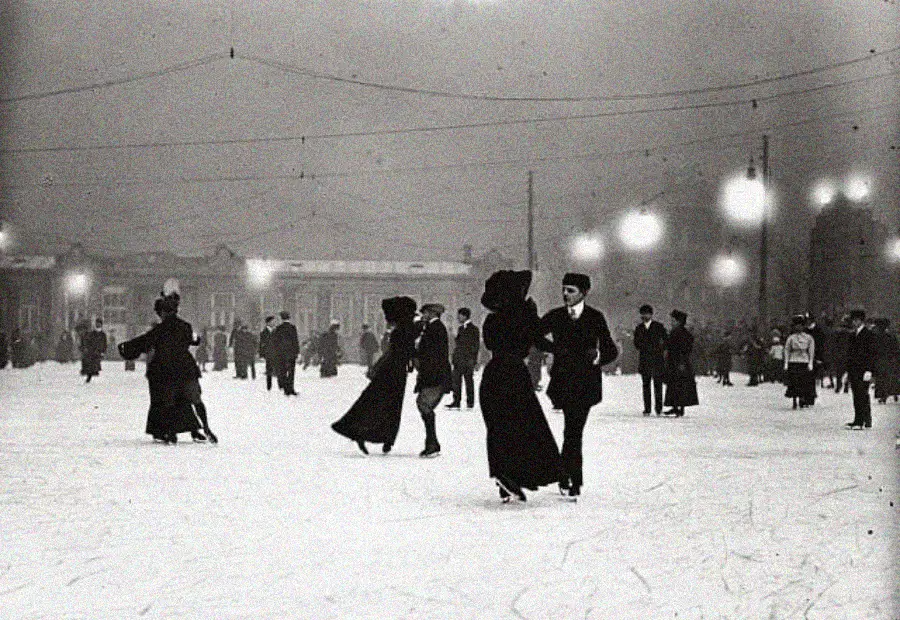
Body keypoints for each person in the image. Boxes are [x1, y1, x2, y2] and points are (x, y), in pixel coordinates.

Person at [479, 270, 564, 503]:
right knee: (524, 425)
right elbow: (540, 341)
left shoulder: (492, 320)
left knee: (498, 426)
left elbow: (490, 343)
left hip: (494, 373)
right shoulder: (524, 317)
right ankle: (514, 475)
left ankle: (504, 476)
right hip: (514, 374)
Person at [538, 273, 618, 498]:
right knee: (572, 430)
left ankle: (570, 477)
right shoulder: (555, 316)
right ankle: (571, 477)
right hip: (563, 382)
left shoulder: (595, 317)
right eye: (563, 289)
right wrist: (553, 349)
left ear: (584, 293)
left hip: (585, 383)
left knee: (573, 430)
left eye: (570, 290)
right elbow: (534, 335)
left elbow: (611, 349)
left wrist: (597, 356)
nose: (565, 294)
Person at [118, 292, 216, 444]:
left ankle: (171, 433)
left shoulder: (160, 330)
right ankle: (207, 428)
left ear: (163, 312)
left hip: (166, 370)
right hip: (186, 369)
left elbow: (144, 342)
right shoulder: (185, 326)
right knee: (196, 400)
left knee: (168, 402)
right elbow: (195, 341)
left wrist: (125, 347)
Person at [332, 297, 418, 455]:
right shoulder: (406, 329)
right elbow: (403, 350)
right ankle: (384, 437)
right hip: (395, 372)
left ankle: (363, 431)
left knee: (372, 401)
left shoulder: (400, 329)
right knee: (391, 405)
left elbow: (392, 352)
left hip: (389, 370)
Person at [414, 303, 453, 458]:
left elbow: (432, 353)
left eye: (424, 313)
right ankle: (432, 443)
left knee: (424, 405)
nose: (423, 315)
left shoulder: (435, 328)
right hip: (433, 374)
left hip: (435, 375)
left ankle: (432, 444)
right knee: (423, 405)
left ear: (431, 313)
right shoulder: (432, 327)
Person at [662, 309, 699, 417]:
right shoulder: (680, 332)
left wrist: (681, 361)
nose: (672, 322)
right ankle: (676, 406)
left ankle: (678, 407)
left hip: (679, 362)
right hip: (676, 362)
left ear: (678, 321)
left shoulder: (680, 333)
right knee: (675, 384)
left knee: (679, 385)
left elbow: (684, 349)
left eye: (673, 320)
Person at [633, 304, 667, 416]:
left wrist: (656, 348)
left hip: (657, 360)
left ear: (651, 315)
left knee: (658, 385)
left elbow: (665, 342)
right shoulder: (639, 328)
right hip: (645, 360)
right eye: (643, 314)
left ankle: (658, 408)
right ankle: (647, 408)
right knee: (646, 385)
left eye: (647, 313)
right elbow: (636, 344)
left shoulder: (659, 327)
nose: (645, 316)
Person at [845, 309, 876, 429]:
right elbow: (850, 354)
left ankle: (864, 420)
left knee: (862, 394)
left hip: (863, 370)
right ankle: (858, 419)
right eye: (853, 320)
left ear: (860, 320)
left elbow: (871, 353)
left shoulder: (868, 334)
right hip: (854, 369)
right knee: (856, 395)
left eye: (855, 320)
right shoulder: (853, 335)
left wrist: (869, 370)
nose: (853, 322)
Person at [448, 307, 480, 410]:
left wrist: (474, 361)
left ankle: (470, 402)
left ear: (465, 316)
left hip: (467, 360)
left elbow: (475, 346)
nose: (458, 317)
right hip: (459, 359)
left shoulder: (474, 329)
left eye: (459, 315)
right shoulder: (460, 329)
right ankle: (456, 401)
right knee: (456, 381)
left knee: (468, 381)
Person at [783, 314, 816, 409]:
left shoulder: (808, 338)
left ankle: (802, 398)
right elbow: (787, 350)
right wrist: (786, 363)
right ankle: (794, 398)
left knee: (803, 381)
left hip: (804, 361)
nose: (798, 327)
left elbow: (811, 350)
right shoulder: (791, 338)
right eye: (796, 325)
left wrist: (810, 363)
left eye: (800, 325)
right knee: (794, 381)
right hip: (794, 361)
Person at [871, 318, 900, 405]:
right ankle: (891, 393)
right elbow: (896, 349)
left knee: (881, 379)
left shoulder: (875, 337)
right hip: (889, 360)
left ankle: (883, 395)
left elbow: (872, 349)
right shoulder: (891, 336)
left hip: (879, 360)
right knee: (888, 378)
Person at [271, 311, 300, 395]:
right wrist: (297, 351)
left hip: (281, 353)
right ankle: (291, 388)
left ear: (281, 318)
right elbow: (295, 340)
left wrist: (276, 352)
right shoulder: (292, 328)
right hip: (291, 353)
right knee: (291, 371)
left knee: (283, 371)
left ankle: (285, 388)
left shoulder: (279, 328)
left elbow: (275, 342)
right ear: (289, 318)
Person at [79, 318, 107, 383]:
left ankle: (93, 373)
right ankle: (89, 375)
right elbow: (88, 341)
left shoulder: (103, 334)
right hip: (92, 351)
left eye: (99, 323)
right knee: (90, 364)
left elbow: (104, 343)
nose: (98, 324)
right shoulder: (92, 333)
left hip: (98, 351)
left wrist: (103, 351)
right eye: (97, 323)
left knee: (95, 364)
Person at [258, 316, 276, 390]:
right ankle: (269, 385)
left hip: (276, 352)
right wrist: (261, 354)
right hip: (268, 353)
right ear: (268, 323)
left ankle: (280, 385)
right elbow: (261, 344)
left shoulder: (276, 331)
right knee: (269, 369)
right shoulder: (263, 332)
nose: (274, 323)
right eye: (272, 322)